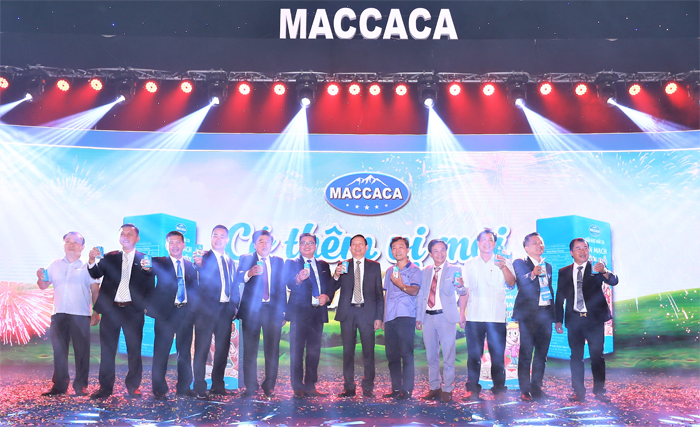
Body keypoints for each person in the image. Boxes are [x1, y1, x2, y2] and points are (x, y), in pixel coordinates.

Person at [88, 224, 155, 399]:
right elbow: (96, 273)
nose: (126, 236)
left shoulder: (144, 259)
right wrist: (91, 260)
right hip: (110, 310)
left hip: (133, 311)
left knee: (134, 350)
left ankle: (133, 386)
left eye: (130, 234)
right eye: (123, 233)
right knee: (107, 350)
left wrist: (144, 306)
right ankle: (105, 387)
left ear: (137, 238)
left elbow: (150, 286)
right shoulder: (110, 257)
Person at [554, 238, 619, 403]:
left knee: (597, 356)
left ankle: (599, 391)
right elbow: (559, 297)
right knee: (576, 357)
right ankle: (578, 391)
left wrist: (604, 271)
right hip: (574, 320)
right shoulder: (564, 272)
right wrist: (558, 320)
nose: (583, 251)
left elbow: (614, 280)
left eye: (585, 248)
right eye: (578, 248)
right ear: (571, 252)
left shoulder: (596, 268)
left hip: (594, 320)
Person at [37, 232, 100, 397]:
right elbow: (43, 286)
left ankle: (81, 386)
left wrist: (97, 311)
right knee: (59, 351)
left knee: (82, 351)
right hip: (58, 314)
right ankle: (59, 386)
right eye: (68, 241)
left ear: (82, 246)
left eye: (75, 242)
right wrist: (39, 277)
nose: (71, 245)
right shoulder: (55, 264)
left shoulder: (88, 265)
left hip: (81, 314)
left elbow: (95, 290)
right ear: (64, 244)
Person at [459, 228, 515, 401]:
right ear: (478, 243)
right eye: (483, 239)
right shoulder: (469, 264)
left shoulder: (503, 262)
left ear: (495, 243)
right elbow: (464, 291)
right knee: (473, 357)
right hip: (474, 317)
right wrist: (462, 313)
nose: (487, 242)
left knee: (497, 356)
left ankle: (499, 389)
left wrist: (503, 267)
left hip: (496, 318)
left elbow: (512, 283)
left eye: (490, 239)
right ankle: (472, 390)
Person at [325, 234, 384, 398]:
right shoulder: (343, 265)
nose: (357, 247)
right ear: (350, 248)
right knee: (348, 352)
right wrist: (336, 275)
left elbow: (379, 294)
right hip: (348, 312)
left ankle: (368, 387)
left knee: (369, 352)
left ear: (366, 247)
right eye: (354, 244)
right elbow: (332, 287)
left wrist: (379, 317)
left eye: (361, 244)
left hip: (367, 312)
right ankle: (349, 387)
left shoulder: (374, 266)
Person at [143, 231, 198, 400]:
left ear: (184, 245)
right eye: (171, 243)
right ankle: (159, 389)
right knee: (161, 352)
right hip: (166, 313)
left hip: (186, 312)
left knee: (185, 353)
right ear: (166, 245)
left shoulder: (190, 265)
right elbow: (148, 270)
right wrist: (146, 267)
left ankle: (184, 388)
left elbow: (195, 289)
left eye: (178, 242)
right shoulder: (159, 262)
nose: (174, 245)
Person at [235, 229, 287, 398]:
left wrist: (283, 312)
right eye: (261, 241)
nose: (264, 244)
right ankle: (251, 386)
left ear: (272, 244)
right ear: (254, 244)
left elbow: (281, 287)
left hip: (273, 311)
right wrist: (249, 273)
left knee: (272, 350)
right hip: (252, 311)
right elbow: (237, 278)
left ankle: (269, 385)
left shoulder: (278, 261)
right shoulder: (246, 259)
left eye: (267, 242)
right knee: (250, 351)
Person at [416, 239, 467, 403]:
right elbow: (421, 296)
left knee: (448, 355)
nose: (440, 253)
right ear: (430, 254)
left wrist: (460, 286)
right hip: (428, 317)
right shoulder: (424, 271)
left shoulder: (454, 269)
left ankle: (448, 389)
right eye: (436, 251)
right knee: (431, 356)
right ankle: (435, 387)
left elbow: (462, 291)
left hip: (446, 318)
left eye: (443, 250)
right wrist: (418, 317)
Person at [191, 225, 239, 399]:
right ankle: (199, 387)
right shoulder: (203, 257)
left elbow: (234, 285)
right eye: (215, 236)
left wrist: (234, 306)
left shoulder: (230, 261)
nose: (218, 239)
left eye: (222, 236)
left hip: (225, 311)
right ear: (211, 238)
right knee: (202, 350)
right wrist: (198, 264)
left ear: (227, 240)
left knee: (222, 351)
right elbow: (198, 271)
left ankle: (218, 386)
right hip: (205, 311)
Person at [283, 233, 332, 398]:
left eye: (310, 243)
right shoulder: (291, 263)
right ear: (299, 246)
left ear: (316, 246)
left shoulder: (324, 265)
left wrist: (328, 297)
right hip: (299, 314)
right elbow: (288, 283)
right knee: (296, 351)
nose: (307, 246)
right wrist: (298, 278)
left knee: (314, 352)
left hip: (317, 313)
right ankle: (297, 386)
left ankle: (310, 386)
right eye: (303, 243)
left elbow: (329, 287)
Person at [512, 232, 555, 401]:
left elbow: (550, 290)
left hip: (546, 315)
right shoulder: (520, 263)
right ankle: (524, 389)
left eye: (541, 242)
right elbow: (521, 281)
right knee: (526, 353)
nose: (539, 245)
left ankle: (537, 388)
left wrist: (555, 316)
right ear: (526, 247)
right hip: (528, 316)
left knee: (541, 355)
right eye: (535, 243)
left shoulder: (548, 266)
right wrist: (533, 273)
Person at [381, 237, 421, 400]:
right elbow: (386, 295)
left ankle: (407, 389)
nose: (397, 250)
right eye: (394, 248)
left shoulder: (414, 270)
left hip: (406, 315)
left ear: (407, 250)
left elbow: (415, 291)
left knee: (406, 354)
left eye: (401, 247)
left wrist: (400, 284)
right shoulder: (390, 271)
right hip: (390, 317)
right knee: (392, 355)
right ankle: (396, 388)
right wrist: (384, 317)